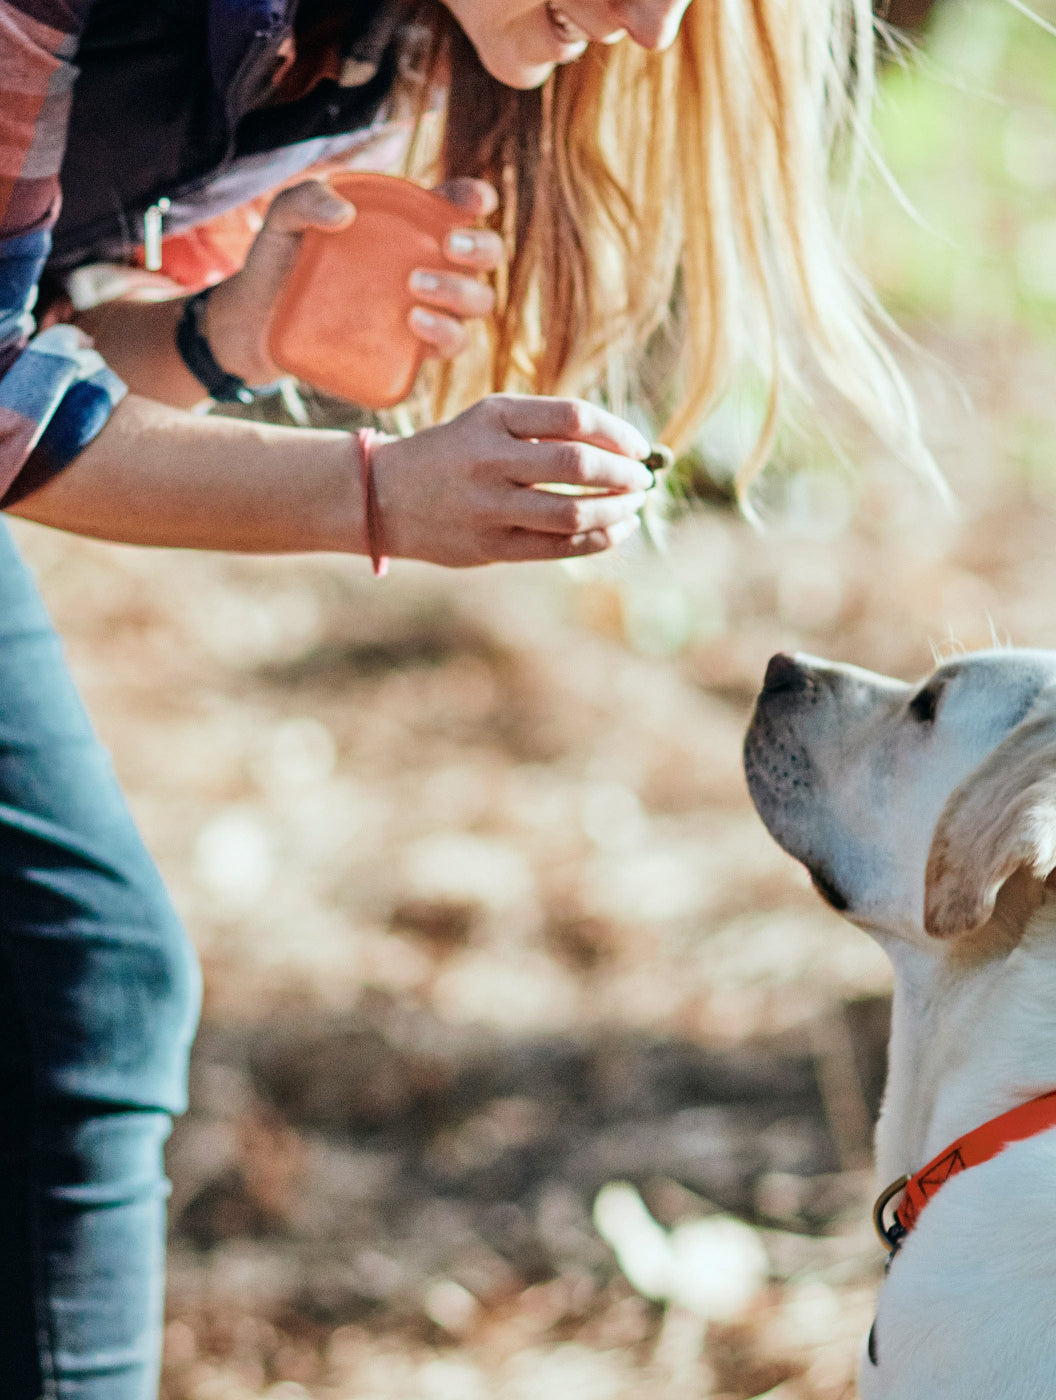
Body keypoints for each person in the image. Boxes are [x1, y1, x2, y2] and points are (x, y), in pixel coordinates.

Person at [0, 1, 926, 1396]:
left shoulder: (383, 52)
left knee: (86, 985)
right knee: (78, 980)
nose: (656, 26)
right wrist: (374, 495)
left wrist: (215, 335)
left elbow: (37, 337)